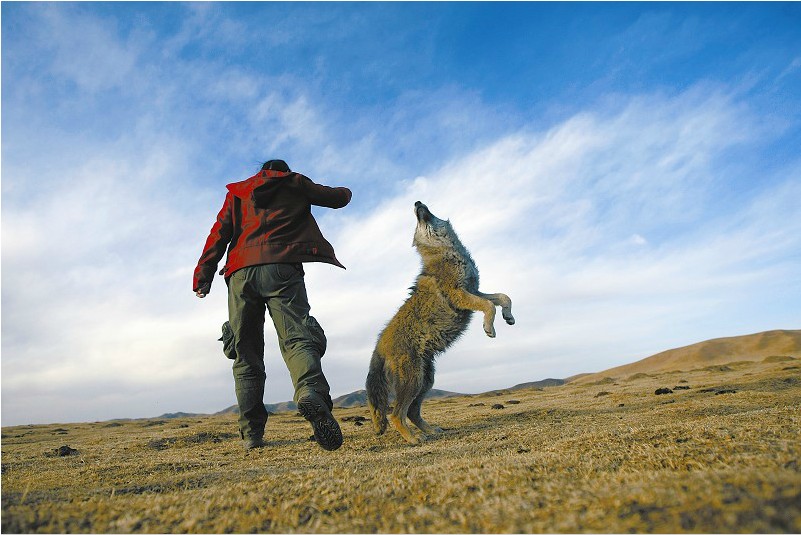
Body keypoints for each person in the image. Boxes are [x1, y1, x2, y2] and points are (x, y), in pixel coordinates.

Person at [193, 159, 352, 451]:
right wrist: (347, 190)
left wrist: (203, 275)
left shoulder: (238, 193)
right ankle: (310, 390)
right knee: (297, 338)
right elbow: (337, 198)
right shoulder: (295, 183)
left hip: (241, 274)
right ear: (284, 171)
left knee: (246, 354)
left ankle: (252, 434)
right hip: (282, 269)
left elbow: (219, 234)